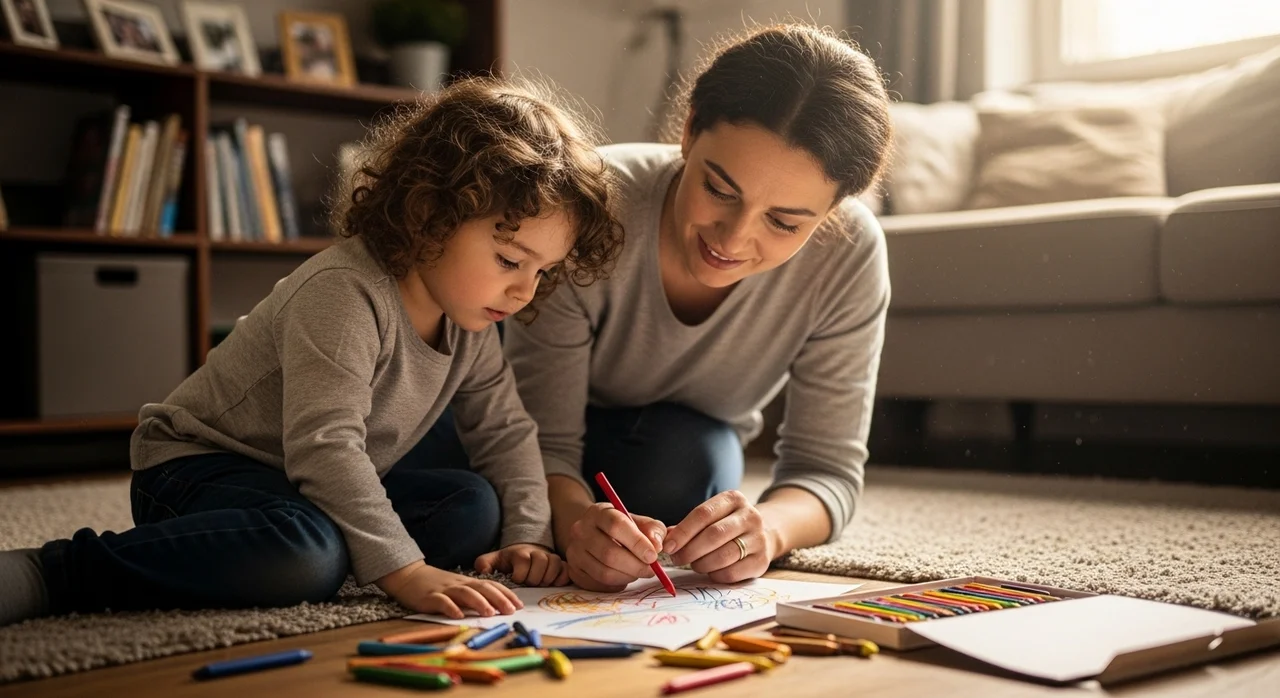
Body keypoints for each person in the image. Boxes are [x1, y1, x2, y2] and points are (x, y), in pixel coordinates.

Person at [0, 77, 624, 627]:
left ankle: (332, 547)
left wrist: (526, 540)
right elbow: (325, 448)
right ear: (430, 210)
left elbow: (507, 433)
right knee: (306, 553)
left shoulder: (472, 323)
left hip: (304, 485)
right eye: (512, 261)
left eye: (542, 272)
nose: (523, 290)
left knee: (472, 506)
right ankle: (53, 571)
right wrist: (403, 571)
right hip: (198, 468)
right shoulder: (346, 292)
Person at [505, 24, 893, 591]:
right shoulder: (591, 205)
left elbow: (826, 472)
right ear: (688, 131)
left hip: (676, 450)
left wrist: (769, 532)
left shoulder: (848, 255)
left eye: (784, 222)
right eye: (719, 190)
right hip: (513, 422)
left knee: (685, 479)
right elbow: (543, 440)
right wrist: (568, 522)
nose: (733, 240)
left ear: (835, 207)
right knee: (464, 495)